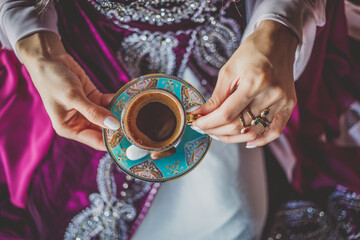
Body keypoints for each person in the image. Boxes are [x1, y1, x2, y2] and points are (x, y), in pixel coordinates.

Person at [0, 0, 333, 239]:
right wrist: (36, 45)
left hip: (228, 57)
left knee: (233, 218)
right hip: (81, 58)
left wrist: (279, 28)